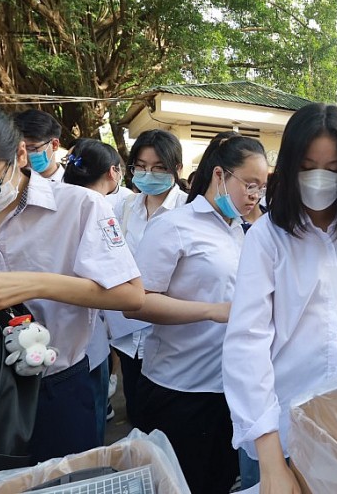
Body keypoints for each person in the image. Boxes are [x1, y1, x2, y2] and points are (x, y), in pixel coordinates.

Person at [0, 88, 143, 464]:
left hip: (57, 387)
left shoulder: (79, 207)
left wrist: (33, 283)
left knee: (65, 482)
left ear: (20, 154)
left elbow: (130, 296)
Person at [222, 104, 337, 493]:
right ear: (289, 168)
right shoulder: (268, 237)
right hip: (278, 427)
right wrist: (271, 460)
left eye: (334, 169)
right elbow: (246, 346)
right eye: (308, 166)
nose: (320, 179)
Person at [124, 132, 267, 493]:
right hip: (180, 388)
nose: (255, 195)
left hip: (228, 386)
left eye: (262, 187)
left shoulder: (240, 230)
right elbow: (136, 303)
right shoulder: (175, 225)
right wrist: (211, 311)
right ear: (220, 175)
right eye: (249, 184)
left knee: (217, 480)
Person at [108, 129, 189, 426]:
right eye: (140, 167)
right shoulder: (125, 206)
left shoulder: (190, 209)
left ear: (176, 169)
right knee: (138, 411)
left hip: (171, 334)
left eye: (158, 168)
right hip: (128, 334)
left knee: (170, 414)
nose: (148, 174)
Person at [61, 138, 125, 444]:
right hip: (83, 343)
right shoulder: (95, 204)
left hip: (50, 341)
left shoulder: (58, 196)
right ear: (113, 172)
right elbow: (125, 288)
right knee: (88, 432)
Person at [13, 109, 66, 181]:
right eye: (17, 149)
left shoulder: (73, 186)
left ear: (54, 145)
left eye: (31, 148)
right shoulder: (11, 184)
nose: (23, 155)